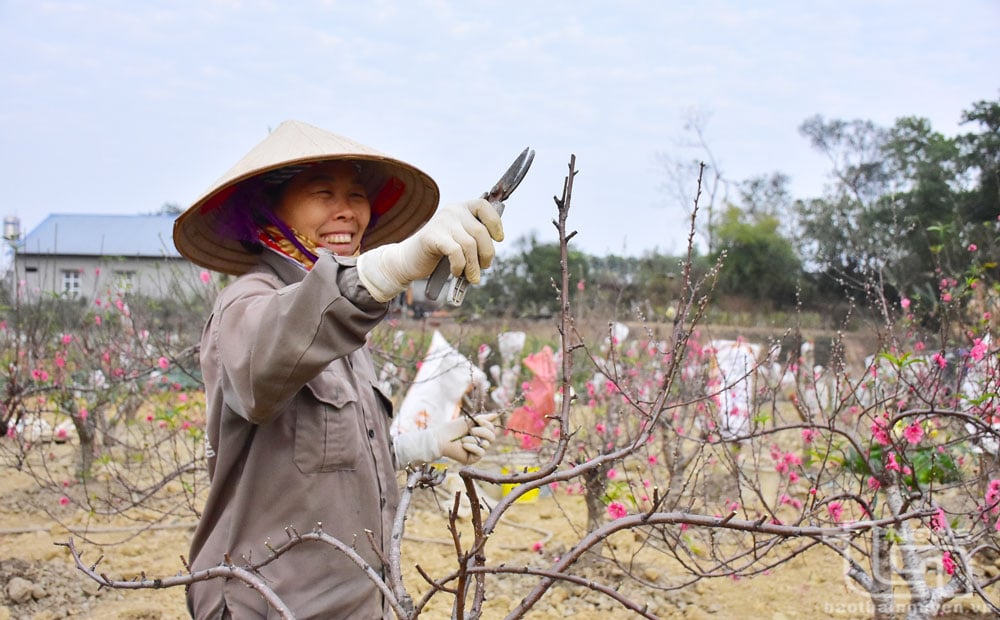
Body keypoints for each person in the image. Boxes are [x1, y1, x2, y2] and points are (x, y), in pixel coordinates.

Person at [173, 120, 500, 619]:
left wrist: (429, 444)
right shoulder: (248, 303)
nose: (346, 210)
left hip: (357, 598)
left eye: (356, 194)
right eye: (322, 193)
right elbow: (266, 362)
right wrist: (392, 267)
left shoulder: (342, 329)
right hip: (270, 604)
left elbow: (328, 456)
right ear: (267, 209)